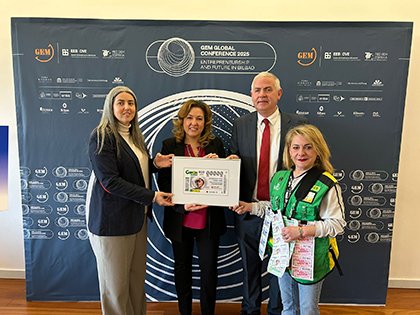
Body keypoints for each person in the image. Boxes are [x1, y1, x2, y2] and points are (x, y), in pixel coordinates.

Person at [233, 124, 346, 315]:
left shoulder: (327, 184)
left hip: (311, 258)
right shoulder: (280, 178)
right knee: (288, 307)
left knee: (308, 309)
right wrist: (250, 207)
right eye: (296, 147)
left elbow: (337, 224)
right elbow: (274, 209)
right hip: (283, 254)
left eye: (308, 147)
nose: (301, 152)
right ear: (288, 151)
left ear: (318, 150)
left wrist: (301, 231)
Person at [86, 86, 175, 315]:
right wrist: (152, 196)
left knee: (136, 284)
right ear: (110, 106)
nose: (127, 108)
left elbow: (133, 172)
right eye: (121, 103)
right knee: (115, 289)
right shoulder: (102, 136)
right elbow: (110, 182)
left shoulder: (135, 136)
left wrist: (155, 164)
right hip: (113, 223)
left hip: (136, 221)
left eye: (131, 103)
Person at [228, 72, 308, 315]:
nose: (262, 95)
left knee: (281, 271)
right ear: (251, 95)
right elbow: (235, 165)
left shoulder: (298, 125)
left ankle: (277, 311)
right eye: (257, 90)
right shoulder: (241, 124)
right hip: (248, 211)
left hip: (283, 214)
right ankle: (250, 311)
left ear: (279, 94)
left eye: (268, 89)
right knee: (249, 269)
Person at [158, 99, 227, 315]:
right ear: (182, 120)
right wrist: (182, 205)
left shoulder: (216, 145)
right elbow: (164, 182)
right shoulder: (170, 145)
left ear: (206, 122)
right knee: (182, 268)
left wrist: (221, 164)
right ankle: (185, 312)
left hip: (209, 219)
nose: (194, 123)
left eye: (199, 118)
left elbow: (224, 182)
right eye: (189, 118)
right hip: (181, 217)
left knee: (208, 270)